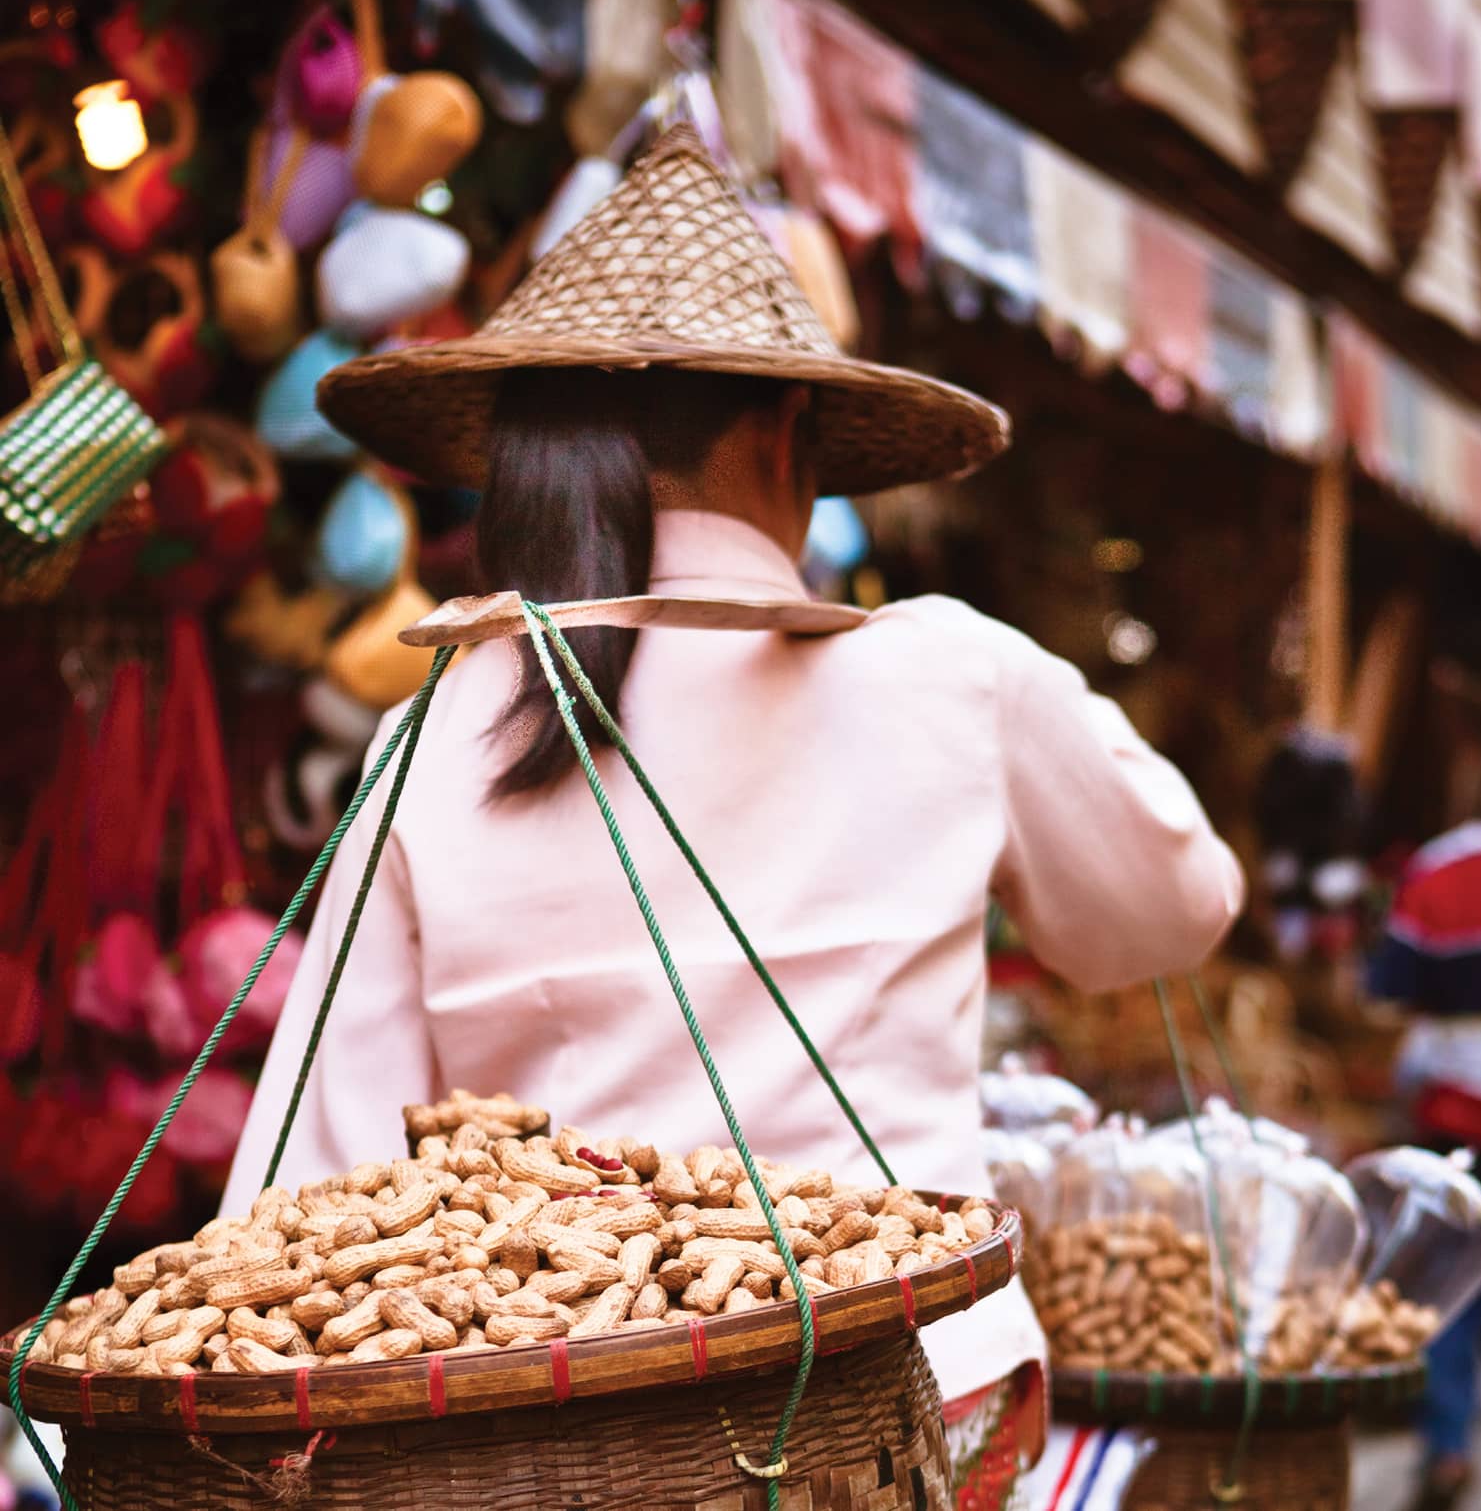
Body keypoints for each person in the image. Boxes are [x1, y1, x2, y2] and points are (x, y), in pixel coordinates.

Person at [224, 127, 1243, 1504]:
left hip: (558, 1458)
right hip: (899, 1429)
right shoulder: (948, 672)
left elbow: (303, 1195)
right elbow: (1167, 914)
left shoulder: (432, 730)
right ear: (781, 430)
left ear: (533, 456)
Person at [1371, 697, 1481, 1511]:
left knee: (1456, 1288)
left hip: (1469, 1120)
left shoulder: (1445, 867)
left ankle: (1449, 1450)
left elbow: (1393, 988)